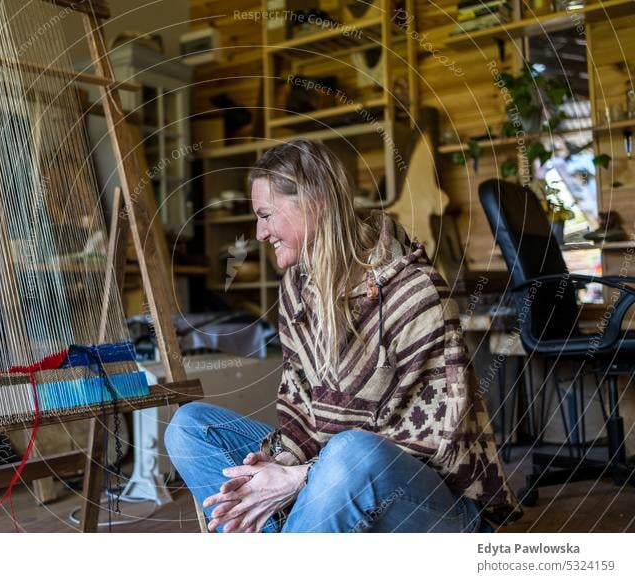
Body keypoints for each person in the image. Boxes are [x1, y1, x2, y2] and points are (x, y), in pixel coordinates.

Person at [165, 138, 520, 533]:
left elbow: (432, 441)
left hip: (430, 507)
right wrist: (281, 464)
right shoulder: (296, 289)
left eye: (265, 215)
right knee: (187, 425)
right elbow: (298, 400)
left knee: (351, 453)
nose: (259, 233)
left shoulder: (414, 292)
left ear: (312, 204)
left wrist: (301, 477)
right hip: (332, 475)